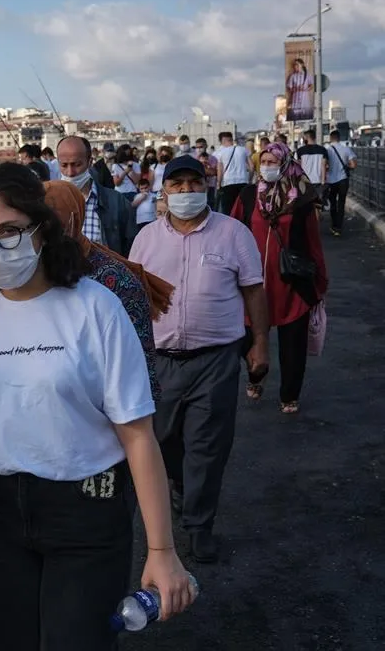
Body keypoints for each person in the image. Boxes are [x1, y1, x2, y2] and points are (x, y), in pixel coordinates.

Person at [0, 163, 194, 650]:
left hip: (87, 511)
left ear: (41, 231)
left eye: (8, 231)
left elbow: (138, 435)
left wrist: (163, 549)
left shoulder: (95, 307)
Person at [129, 155, 270, 564]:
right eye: (178, 185)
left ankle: (199, 526)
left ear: (206, 185)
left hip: (216, 359)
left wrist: (260, 342)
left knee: (208, 446)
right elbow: (136, 298)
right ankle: (179, 487)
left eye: (194, 183)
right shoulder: (146, 239)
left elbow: (254, 291)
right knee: (165, 440)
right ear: (164, 190)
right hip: (161, 359)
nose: (186, 192)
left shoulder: (233, 234)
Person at [43, 178, 174, 401]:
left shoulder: (114, 278)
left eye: (51, 217)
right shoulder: (31, 273)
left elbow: (138, 359)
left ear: (73, 219)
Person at [231, 142, 328, 414]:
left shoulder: (301, 199)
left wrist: (320, 282)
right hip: (253, 282)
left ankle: (289, 394)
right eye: (265, 162)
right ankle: (255, 376)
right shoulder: (248, 195)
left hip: (291, 281)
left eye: (274, 162)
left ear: (285, 163)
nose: (268, 167)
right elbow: (233, 230)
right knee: (248, 336)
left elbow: (312, 242)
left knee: (293, 343)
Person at [56, 135, 138, 256]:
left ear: (89, 162)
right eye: (64, 165)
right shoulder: (49, 201)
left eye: (77, 164)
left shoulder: (116, 202)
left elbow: (131, 249)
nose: (70, 172)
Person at [326, 129, 358, 237]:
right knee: (341, 203)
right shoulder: (346, 149)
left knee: (333, 203)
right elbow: (353, 165)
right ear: (339, 138)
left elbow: (324, 165)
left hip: (331, 180)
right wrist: (346, 166)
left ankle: (334, 225)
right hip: (343, 180)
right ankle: (339, 227)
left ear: (330, 138)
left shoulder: (327, 150)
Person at [214, 131, 253, 215]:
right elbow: (252, 167)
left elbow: (220, 171)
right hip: (243, 182)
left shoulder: (220, 153)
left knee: (228, 210)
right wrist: (249, 180)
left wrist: (219, 183)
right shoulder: (243, 149)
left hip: (227, 184)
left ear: (222, 141)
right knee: (243, 209)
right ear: (231, 139)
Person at [297, 129, 328, 201]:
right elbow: (323, 166)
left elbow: (299, 167)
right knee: (318, 205)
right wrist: (323, 182)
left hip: (305, 182)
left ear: (306, 137)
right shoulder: (323, 150)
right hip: (318, 182)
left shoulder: (300, 151)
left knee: (307, 205)